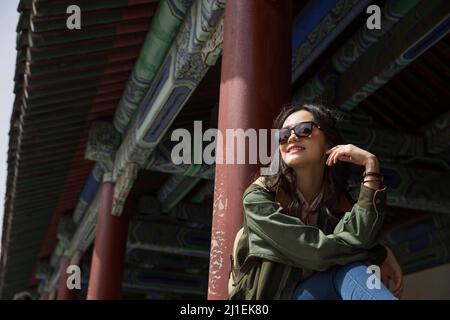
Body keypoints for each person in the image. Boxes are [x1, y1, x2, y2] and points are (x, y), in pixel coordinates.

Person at [228, 103, 403, 300]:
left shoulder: (337, 201)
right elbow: (315, 253)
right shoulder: (259, 198)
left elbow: (363, 237)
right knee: (349, 267)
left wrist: (371, 165)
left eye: (304, 130)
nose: (292, 137)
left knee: (351, 270)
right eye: (283, 135)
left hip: (317, 293)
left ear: (329, 142)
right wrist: (377, 253)